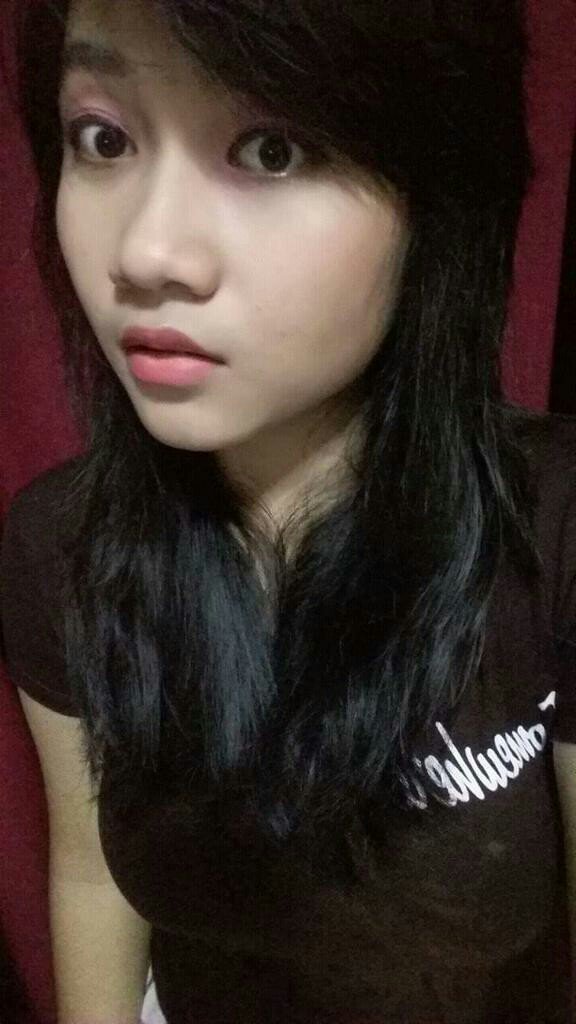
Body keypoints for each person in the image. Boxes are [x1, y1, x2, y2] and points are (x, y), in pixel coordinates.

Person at [1, 0, 575, 1021]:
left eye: (271, 149)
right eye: (105, 139)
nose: (147, 252)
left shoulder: (556, 527)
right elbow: (90, 871)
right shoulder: (62, 547)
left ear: (436, 195)